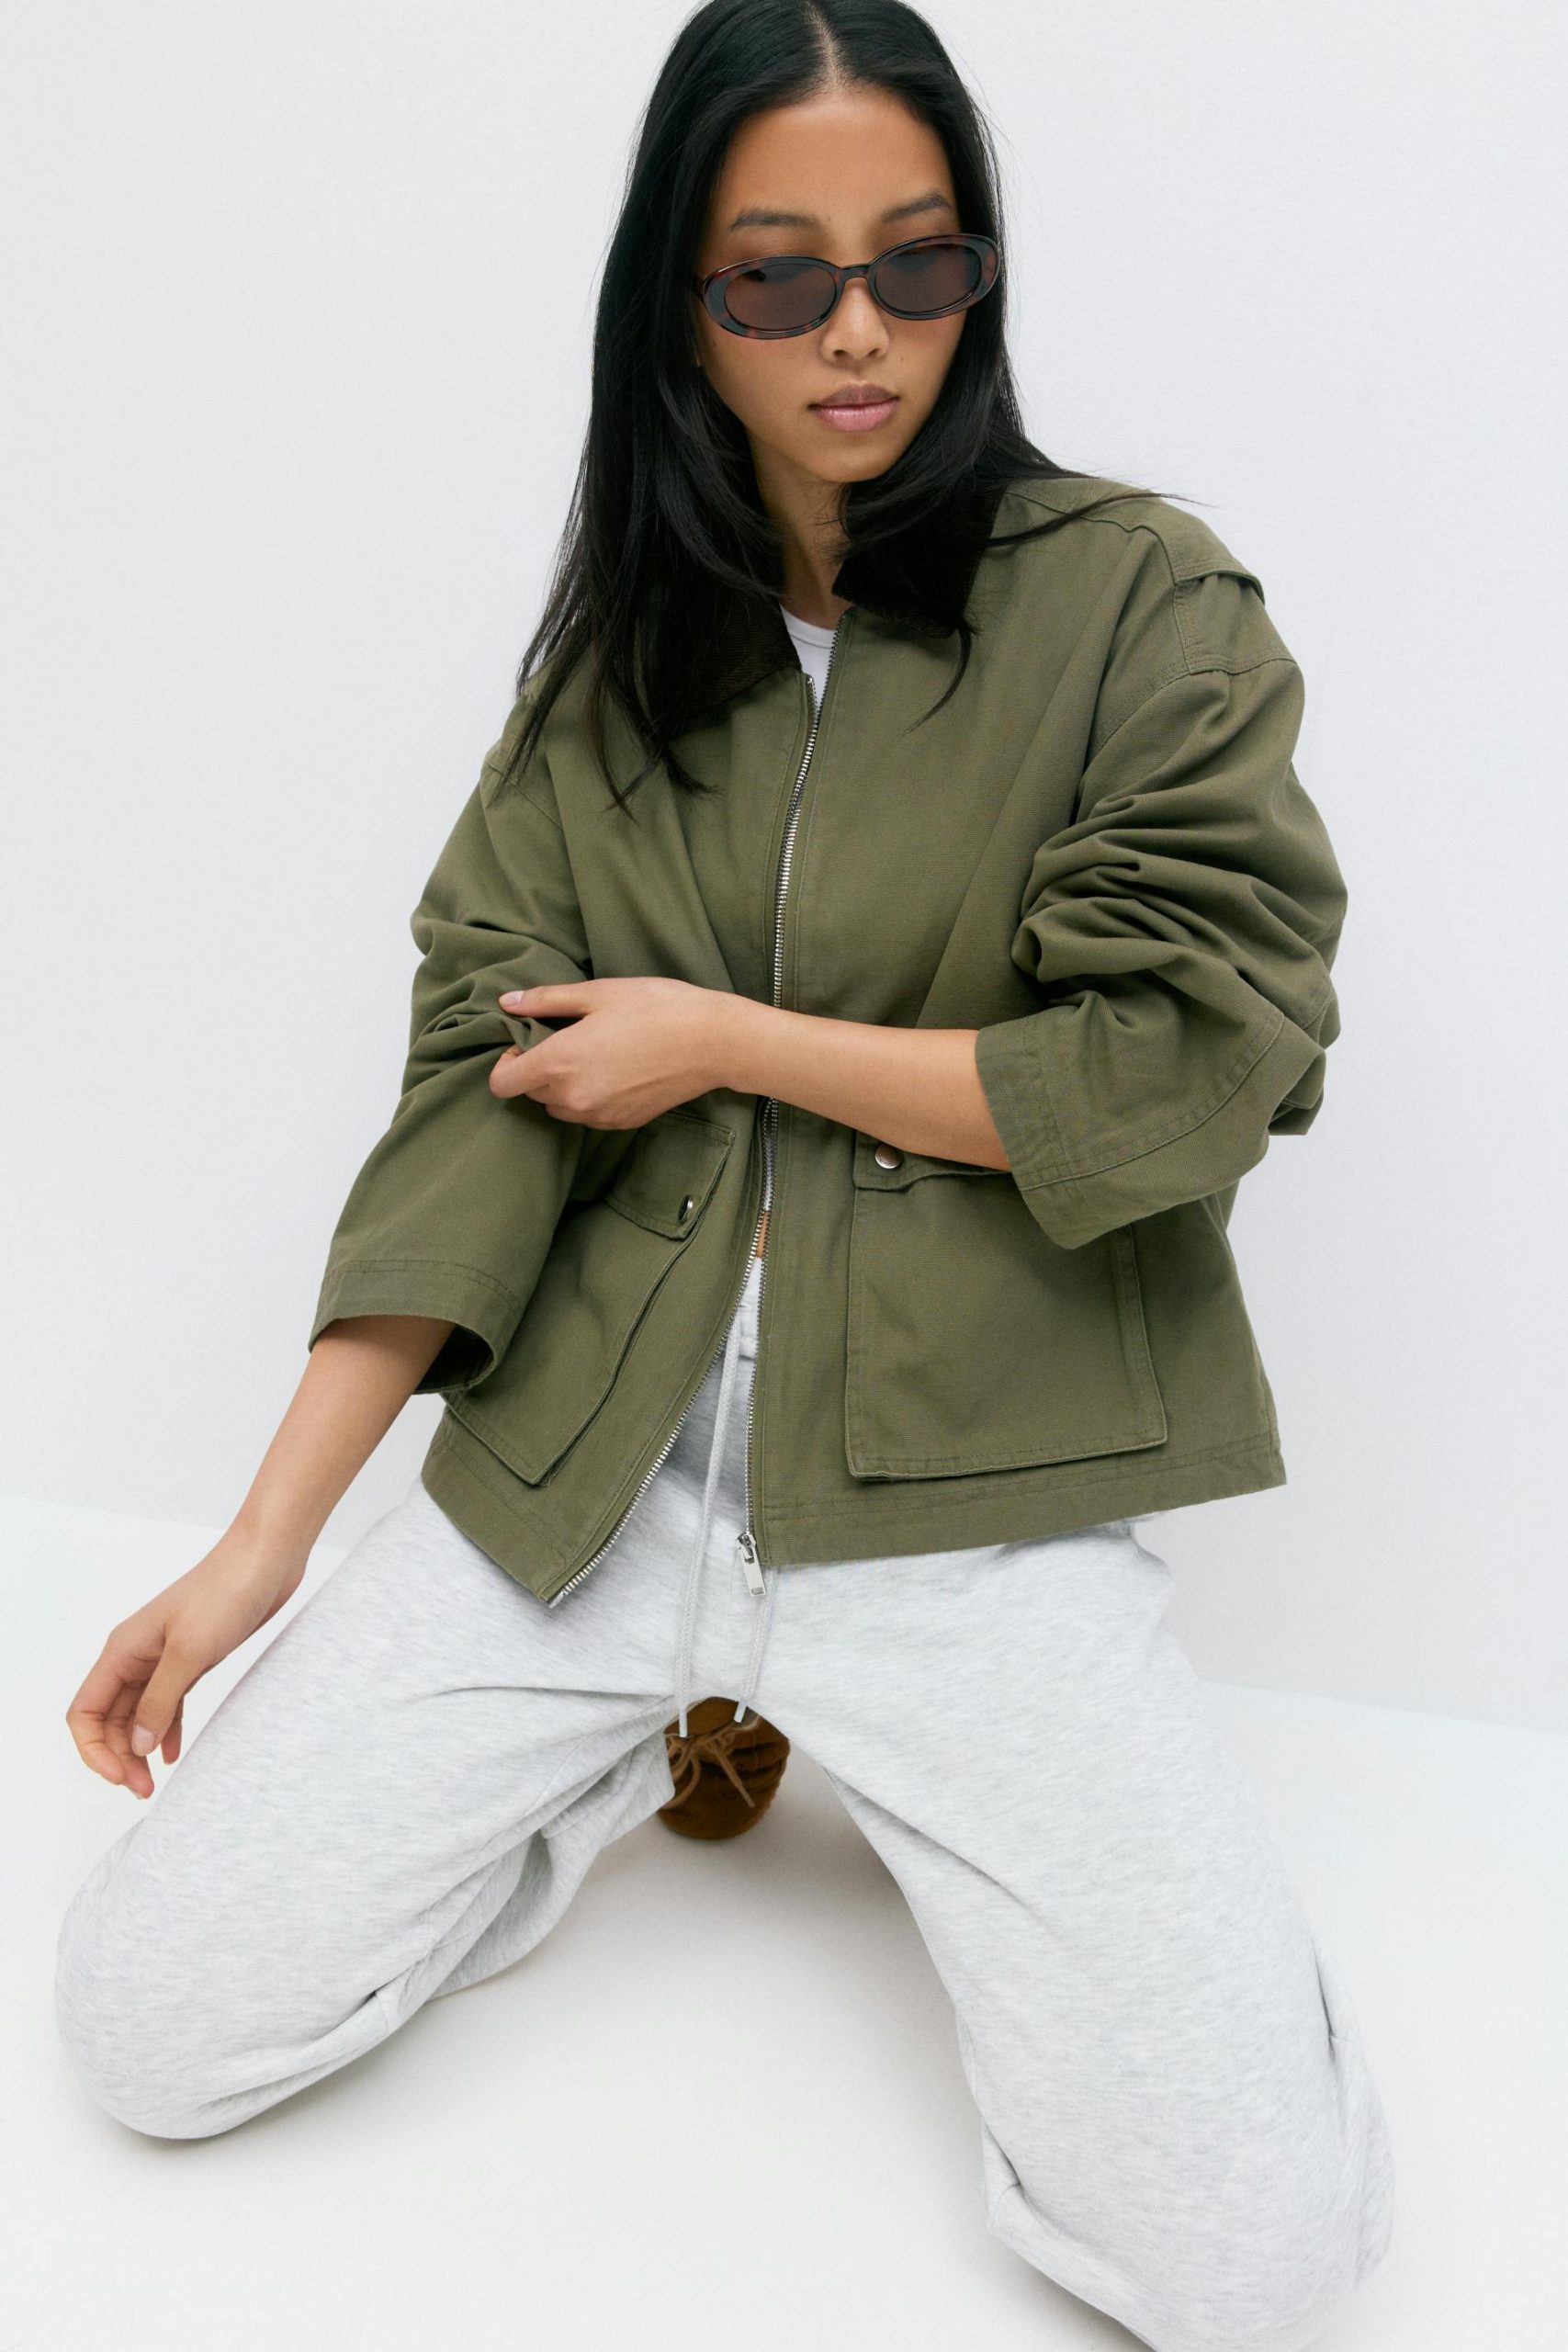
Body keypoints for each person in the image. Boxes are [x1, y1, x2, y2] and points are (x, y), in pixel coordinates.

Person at [56, 4, 1395, 2344]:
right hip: (593, 1480)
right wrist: (261, 1543)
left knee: (1250, 2271)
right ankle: (632, 1746)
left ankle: (1058, 1899)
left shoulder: (1139, 605)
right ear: (680, 302)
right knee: (147, 2033)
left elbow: (1186, 1061)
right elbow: (467, 1100)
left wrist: (725, 1041)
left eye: (915, 260)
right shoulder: (617, 669)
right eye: (776, 275)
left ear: (976, 269)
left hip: (972, 1506)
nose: (856, 330)